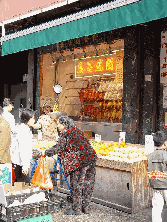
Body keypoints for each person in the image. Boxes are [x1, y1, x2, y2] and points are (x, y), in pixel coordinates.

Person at [45, 116, 97, 215]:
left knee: (77, 185)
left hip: (79, 162)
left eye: (59, 124)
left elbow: (58, 148)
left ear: (63, 124)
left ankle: (76, 209)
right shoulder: (77, 130)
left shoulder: (65, 134)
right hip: (91, 159)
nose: (57, 126)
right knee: (88, 185)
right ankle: (86, 208)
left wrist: (45, 152)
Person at [11, 108, 35, 183]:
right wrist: (25, 166)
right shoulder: (23, 130)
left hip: (18, 161)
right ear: (27, 119)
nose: (34, 120)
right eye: (32, 118)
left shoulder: (22, 127)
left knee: (20, 185)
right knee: (23, 185)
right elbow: (23, 149)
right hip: (20, 163)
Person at [148, 131, 167, 222]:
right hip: (165, 185)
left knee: (156, 209)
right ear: (165, 143)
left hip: (156, 185)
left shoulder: (150, 155)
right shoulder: (166, 155)